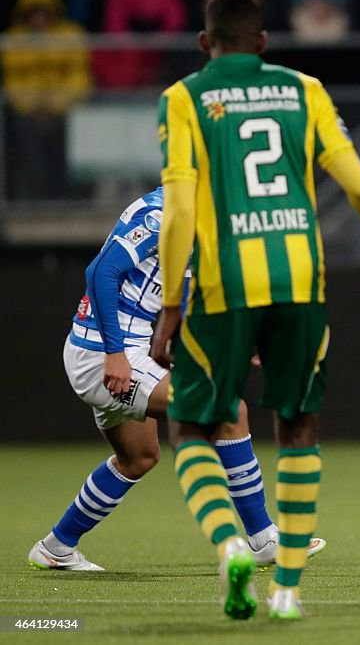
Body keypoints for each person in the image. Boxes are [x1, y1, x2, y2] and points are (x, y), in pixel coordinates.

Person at [149, 0, 360, 621]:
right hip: (301, 283)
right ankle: (288, 589)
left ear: (203, 44)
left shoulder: (184, 99)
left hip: (225, 287)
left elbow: (181, 208)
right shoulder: (305, 89)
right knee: (298, 430)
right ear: (265, 43)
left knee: (190, 425)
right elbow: (354, 177)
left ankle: (230, 545)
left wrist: (168, 303)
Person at [28, 187, 326, 572]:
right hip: (104, 352)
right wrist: (116, 354)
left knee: (138, 458)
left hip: (117, 350)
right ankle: (264, 539)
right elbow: (101, 270)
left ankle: (56, 546)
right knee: (230, 410)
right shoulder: (165, 211)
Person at [1, 0, 92, 200]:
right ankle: (33, 197)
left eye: (43, 10)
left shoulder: (71, 34)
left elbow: (79, 77)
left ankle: (69, 196)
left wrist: (54, 106)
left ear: (53, 9)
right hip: (28, 115)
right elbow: (13, 82)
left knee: (71, 139)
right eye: (33, 11)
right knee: (24, 140)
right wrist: (35, 108)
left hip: (64, 112)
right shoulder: (13, 39)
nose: (38, 17)